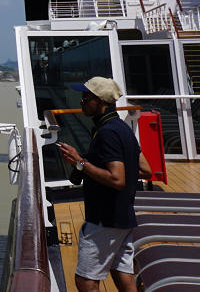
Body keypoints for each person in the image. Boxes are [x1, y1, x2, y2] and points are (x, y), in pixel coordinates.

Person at [57, 77, 143, 292]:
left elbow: (117, 179)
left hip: (105, 218)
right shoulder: (122, 129)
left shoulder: (108, 133)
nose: (82, 102)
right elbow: (146, 168)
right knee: (123, 274)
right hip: (123, 215)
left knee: (86, 281)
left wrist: (80, 162)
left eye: (86, 98)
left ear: (101, 101)